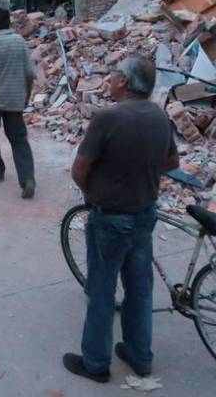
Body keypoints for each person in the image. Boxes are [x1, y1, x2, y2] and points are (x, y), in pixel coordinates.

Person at [62, 55, 179, 383]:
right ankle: (140, 355)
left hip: (110, 218)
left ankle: (96, 363)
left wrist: (93, 193)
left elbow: (79, 170)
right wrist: (141, 170)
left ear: (125, 82)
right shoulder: (159, 116)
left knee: (100, 290)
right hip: (144, 215)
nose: (108, 80)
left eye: (113, 75)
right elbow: (172, 162)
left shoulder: (108, 118)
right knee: (140, 289)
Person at [0, 7, 36, 199]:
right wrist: (26, 96)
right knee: (19, 138)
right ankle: (27, 178)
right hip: (15, 98)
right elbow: (29, 74)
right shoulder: (20, 41)